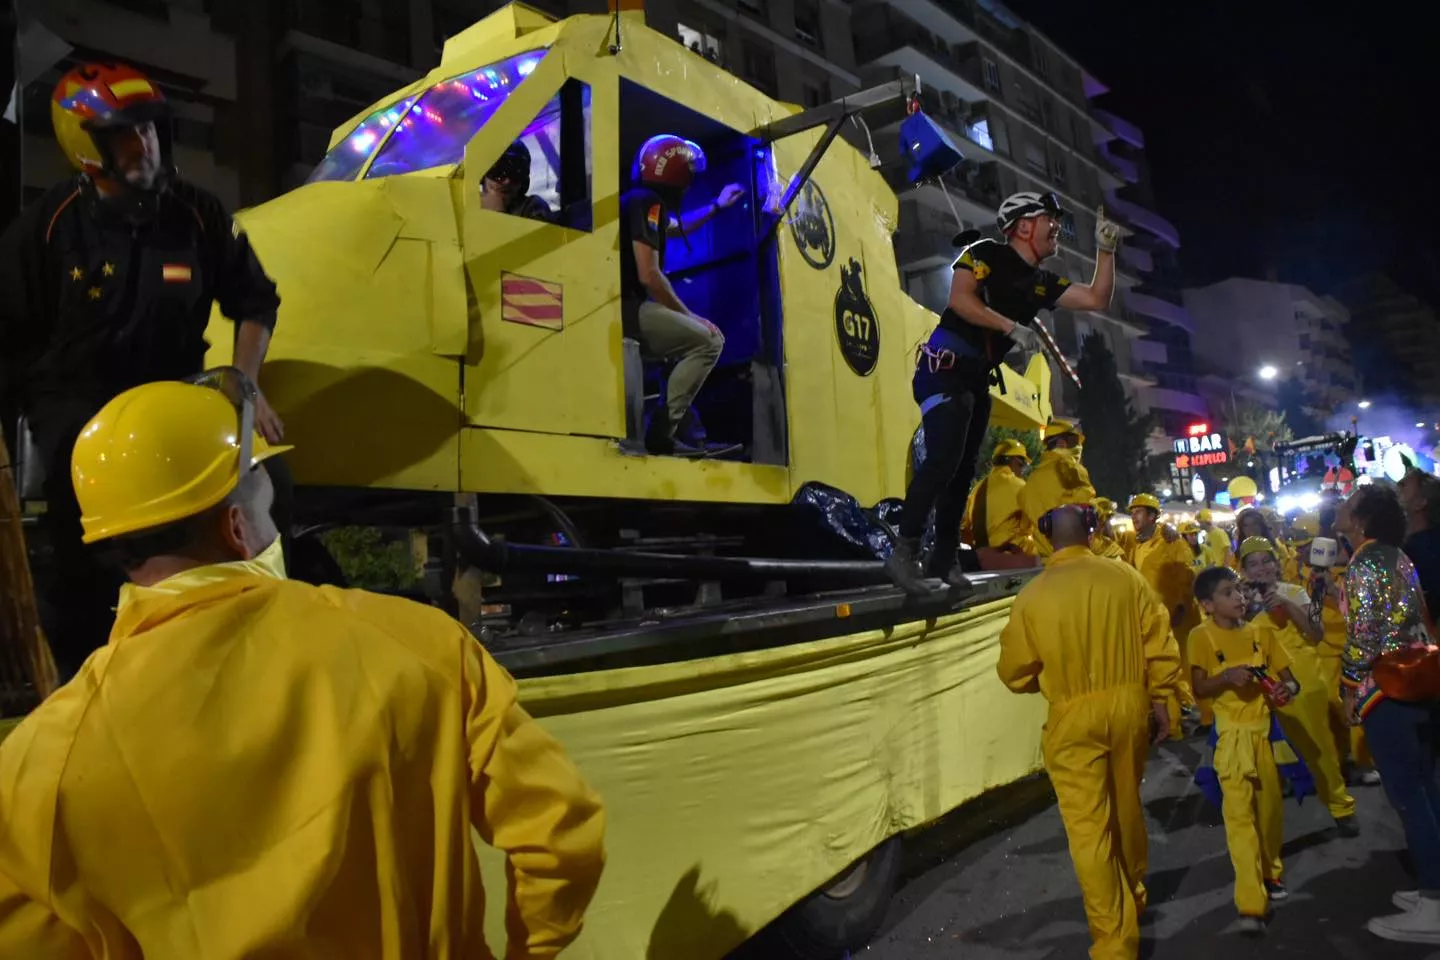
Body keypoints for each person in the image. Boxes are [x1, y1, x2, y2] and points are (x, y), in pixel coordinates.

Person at [0, 372, 607, 955]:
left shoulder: (40, 763)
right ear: (237, 527)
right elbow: (561, 836)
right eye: (269, 511)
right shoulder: (417, 644)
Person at [0, 62, 286, 679]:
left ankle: (236, 660)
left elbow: (256, 302)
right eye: (125, 134)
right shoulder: (47, 228)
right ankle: (95, 683)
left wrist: (244, 383)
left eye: (151, 129)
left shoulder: (197, 213)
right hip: (78, 414)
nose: (144, 145)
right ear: (86, 146)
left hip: (173, 400)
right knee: (88, 559)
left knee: (258, 491)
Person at [886, 193, 1120, 595]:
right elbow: (960, 299)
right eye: (1049, 218)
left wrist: (1106, 250)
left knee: (961, 472)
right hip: (943, 370)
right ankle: (903, 553)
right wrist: (1009, 326)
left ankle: (943, 559)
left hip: (976, 379)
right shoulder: (984, 253)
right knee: (942, 461)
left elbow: (1097, 298)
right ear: (1023, 225)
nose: (1056, 227)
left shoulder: (1041, 283)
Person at [997, 501, 1180, 960]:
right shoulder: (1124, 577)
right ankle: (1133, 890)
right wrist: (1163, 699)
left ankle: (1114, 941)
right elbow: (1159, 640)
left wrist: (1051, 678)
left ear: (1045, 536)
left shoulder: (1032, 597)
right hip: (1129, 706)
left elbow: (1014, 673)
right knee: (1126, 807)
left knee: (1088, 831)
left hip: (1072, 715)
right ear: (1092, 530)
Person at [1337, 484, 1440, 945]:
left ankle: (1434, 904)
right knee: (1426, 789)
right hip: (1420, 684)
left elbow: (1364, 634)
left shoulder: (1366, 561)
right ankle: (1432, 887)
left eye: (1348, 503)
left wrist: (1348, 686)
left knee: (1409, 797)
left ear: (1360, 519)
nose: (1339, 507)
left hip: (1388, 690)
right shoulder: (1396, 555)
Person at [1189, 566, 1302, 936]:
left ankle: (1271, 872)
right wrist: (1226, 677)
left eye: (1238, 590)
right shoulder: (1200, 636)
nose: (1239, 597)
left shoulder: (1261, 633)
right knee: (1239, 820)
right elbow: (1199, 687)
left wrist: (1286, 690)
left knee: (1269, 814)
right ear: (1207, 605)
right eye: (1227, 592)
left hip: (1265, 738)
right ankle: (1251, 904)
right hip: (1230, 742)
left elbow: (1291, 681)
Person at [620, 134, 745, 457]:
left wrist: (717, 205)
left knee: (679, 348)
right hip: (627, 310)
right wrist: (690, 316)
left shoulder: (640, 201)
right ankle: (661, 435)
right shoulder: (647, 203)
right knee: (709, 341)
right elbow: (649, 275)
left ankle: (689, 436)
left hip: (624, 309)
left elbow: (677, 227)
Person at [1237, 537, 1359, 835]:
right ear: (1244, 570)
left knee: (1318, 749)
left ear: (1276, 563)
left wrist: (1288, 606)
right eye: (1253, 564)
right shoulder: (1238, 599)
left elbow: (1317, 633)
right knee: (1257, 753)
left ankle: (1341, 806)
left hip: (1301, 680)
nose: (1261, 568)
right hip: (1257, 683)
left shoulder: (1295, 591)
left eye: (1266, 561)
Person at [1120, 493, 1201, 736]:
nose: (1134, 517)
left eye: (1139, 512)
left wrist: (1181, 607)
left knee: (1179, 664)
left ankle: (1190, 715)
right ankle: (1175, 718)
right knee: (1161, 667)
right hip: (1150, 616)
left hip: (1176, 615)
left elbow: (1186, 575)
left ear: (1153, 516)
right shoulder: (1133, 543)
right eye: (1132, 513)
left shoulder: (1171, 541)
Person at [1017, 419, 1096, 562]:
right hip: (1075, 559)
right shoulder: (1070, 468)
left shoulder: (1029, 483)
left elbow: (1024, 528)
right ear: (1061, 444)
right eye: (1074, 442)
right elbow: (1089, 511)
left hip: (1048, 563)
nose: (1079, 447)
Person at [961, 438, 1038, 568]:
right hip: (1013, 559)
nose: (1021, 472)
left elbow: (965, 531)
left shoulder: (976, 490)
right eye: (1021, 466)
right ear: (1014, 461)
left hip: (981, 560)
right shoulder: (1020, 487)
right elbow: (1036, 523)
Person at [1398, 464, 1440, 617]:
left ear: (1420, 502)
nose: (1397, 486)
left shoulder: (1427, 552)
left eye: (1403, 485)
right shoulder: (1413, 544)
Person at [479, 140, 556, 222]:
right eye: (498, 172)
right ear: (483, 176)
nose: (507, 181)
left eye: (516, 174)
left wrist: (498, 214)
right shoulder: (470, 207)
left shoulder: (533, 207)